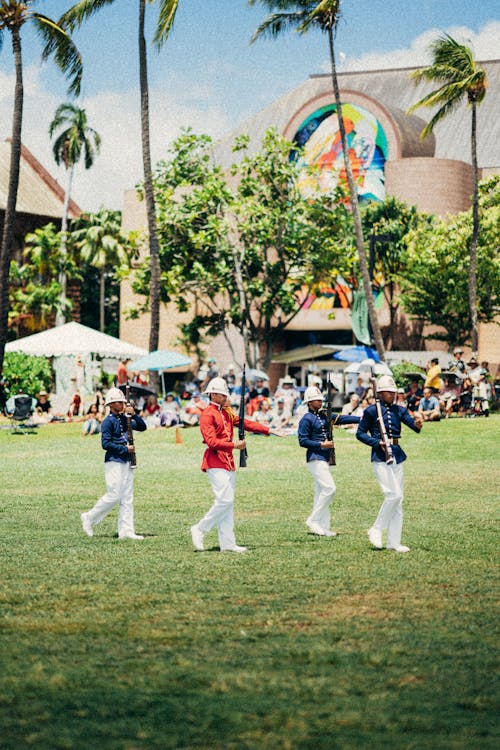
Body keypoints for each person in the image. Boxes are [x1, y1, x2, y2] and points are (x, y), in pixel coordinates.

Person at [190, 377, 276, 553]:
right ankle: (200, 528)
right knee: (225, 500)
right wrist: (234, 445)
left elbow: (244, 423)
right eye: (223, 395)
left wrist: (268, 430)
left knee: (228, 504)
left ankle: (228, 543)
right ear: (213, 394)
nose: (226, 398)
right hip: (215, 461)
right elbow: (211, 442)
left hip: (228, 462)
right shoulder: (207, 414)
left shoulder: (226, 412)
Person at [356, 375, 423, 553]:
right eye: (389, 392)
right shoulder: (371, 411)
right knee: (392, 495)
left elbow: (414, 426)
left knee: (398, 500)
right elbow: (360, 433)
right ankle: (376, 528)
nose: (393, 395)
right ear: (380, 393)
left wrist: (418, 423)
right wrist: (376, 442)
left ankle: (394, 542)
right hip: (380, 456)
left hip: (397, 454)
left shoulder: (399, 410)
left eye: (394, 392)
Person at [80, 387, 146, 540]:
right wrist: (124, 449)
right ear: (110, 405)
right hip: (114, 461)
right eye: (117, 402)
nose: (121, 404)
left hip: (127, 461)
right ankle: (89, 517)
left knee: (127, 498)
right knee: (114, 495)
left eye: (122, 401)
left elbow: (142, 427)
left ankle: (126, 531)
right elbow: (106, 444)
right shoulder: (107, 422)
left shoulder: (125, 418)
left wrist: (134, 414)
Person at [298, 386, 361, 537]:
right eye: (317, 400)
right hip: (315, 458)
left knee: (320, 492)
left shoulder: (324, 415)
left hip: (324, 458)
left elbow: (342, 419)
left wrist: (363, 419)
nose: (320, 402)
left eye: (320, 399)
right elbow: (302, 440)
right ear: (309, 402)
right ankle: (313, 520)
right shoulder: (306, 419)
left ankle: (322, 527)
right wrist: (321, 445)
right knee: (329, 489)